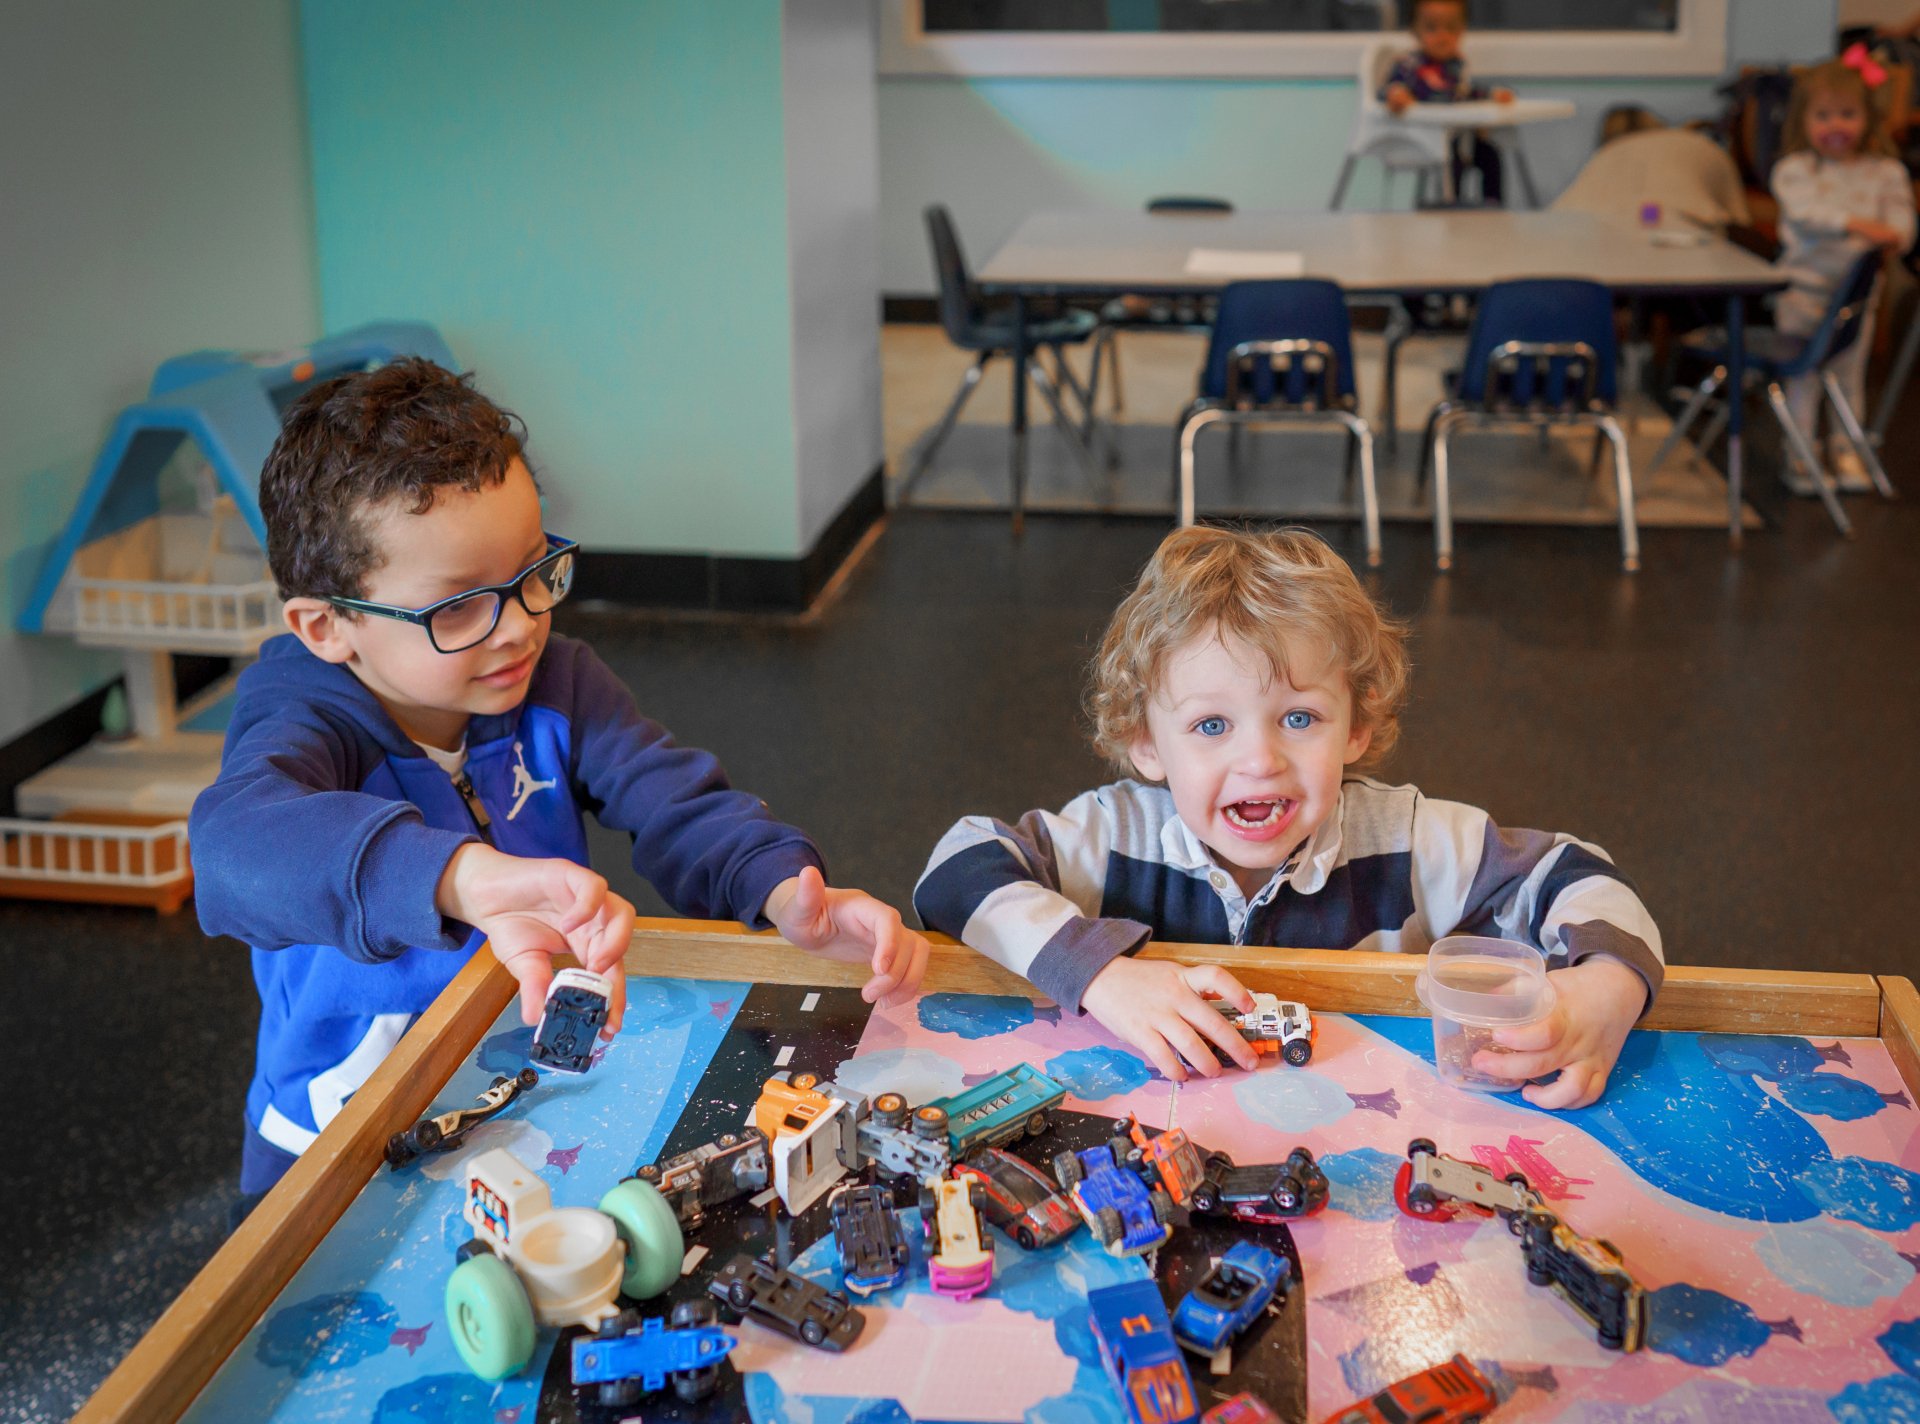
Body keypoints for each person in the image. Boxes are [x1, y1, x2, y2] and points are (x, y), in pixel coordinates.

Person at [193, 359, 930, 1201]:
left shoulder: (558, 684)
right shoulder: (302, 716)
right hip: (336, 1131)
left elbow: (675, 800)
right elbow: (233, 851)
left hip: (517, 1087)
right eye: (458, 607)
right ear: (327, 627)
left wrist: (780, 887)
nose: (519, 626)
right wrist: (456, 877)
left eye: (534, 572)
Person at [914, 527, 1662, 1110]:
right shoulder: (1112, 838)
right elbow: (957, 867)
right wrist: (1104, 975)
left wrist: (1607, 990)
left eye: (1300, 717)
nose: (1261, 759)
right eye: (1212, 727)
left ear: (1357, 729)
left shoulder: (1407, 840)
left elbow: (1584, 877)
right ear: (1146, 743)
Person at [1770, 51, 1916, 492]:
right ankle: (1799, 453)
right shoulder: (1795, 171)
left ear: (1867, 119)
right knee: (1804, 376)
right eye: (1824, 116)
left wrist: (1892, 234)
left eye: (1848, 114)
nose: (1836, 126)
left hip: (1858, 298)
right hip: (1802, 294)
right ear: (1805, 121)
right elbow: (1806, 214)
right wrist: (1858, 225)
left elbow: (1902, 227)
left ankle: (1847, 449)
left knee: (1848, 377)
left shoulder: (1886, 173)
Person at [1379, 0, 1515, 206]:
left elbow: (1465, 93)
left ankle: (1493, 206)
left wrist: (1491, 96)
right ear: (1415, 31)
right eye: (1432, 28)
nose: (1442, 37)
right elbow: (1388, 89)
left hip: (1459, 135)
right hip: (1427, 136)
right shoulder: (1410, 66)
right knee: (1452, 162)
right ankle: (1452, 207)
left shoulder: (1455, 66)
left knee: (1489, 154)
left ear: (1462, 31)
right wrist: (1396, 94)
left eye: (1451, 28)